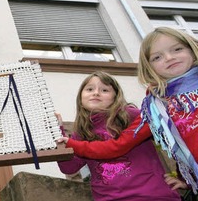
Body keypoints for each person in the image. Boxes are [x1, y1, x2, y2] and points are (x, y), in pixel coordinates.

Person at [57, 71, 193, 201]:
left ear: (115, 96)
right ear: (81, 97)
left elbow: (175, 139)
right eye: (89, 89)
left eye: (104, 89)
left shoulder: (133, 116)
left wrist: (185, 177)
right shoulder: (81, 133)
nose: (96, 93)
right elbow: (69, 168)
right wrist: (59, 136)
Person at [59, 27, 198, 192]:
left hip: (156, 200)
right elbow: (177, 144)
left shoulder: (130, 113)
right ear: (149, 67)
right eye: (157, 57)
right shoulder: (156, 108)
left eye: (177, 49)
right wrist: (186, 178)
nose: (169, 58)